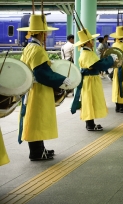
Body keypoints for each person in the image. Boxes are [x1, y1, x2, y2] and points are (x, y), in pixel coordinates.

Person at [18, 14, 70, 161]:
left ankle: (40, 149)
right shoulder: (37, 50)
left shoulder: (30, 47)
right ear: (41, 33)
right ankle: (36, 152)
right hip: (38, 90)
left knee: (36, 119)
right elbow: (42, 74)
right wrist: (62, 79)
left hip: (32, 89)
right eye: (45, 32)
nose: (46, 34)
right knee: (37, 120)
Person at [72, 28, 116, 131]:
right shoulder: (87, 54)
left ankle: (91, 124)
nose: (93, 42)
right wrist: (111, 59)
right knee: (89, 101)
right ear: (87, 42)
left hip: (90, 80)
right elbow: (99, 65)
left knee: (89, 101)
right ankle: (90, 125)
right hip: (90, 80)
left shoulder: (86, 52)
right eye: (91, 40)